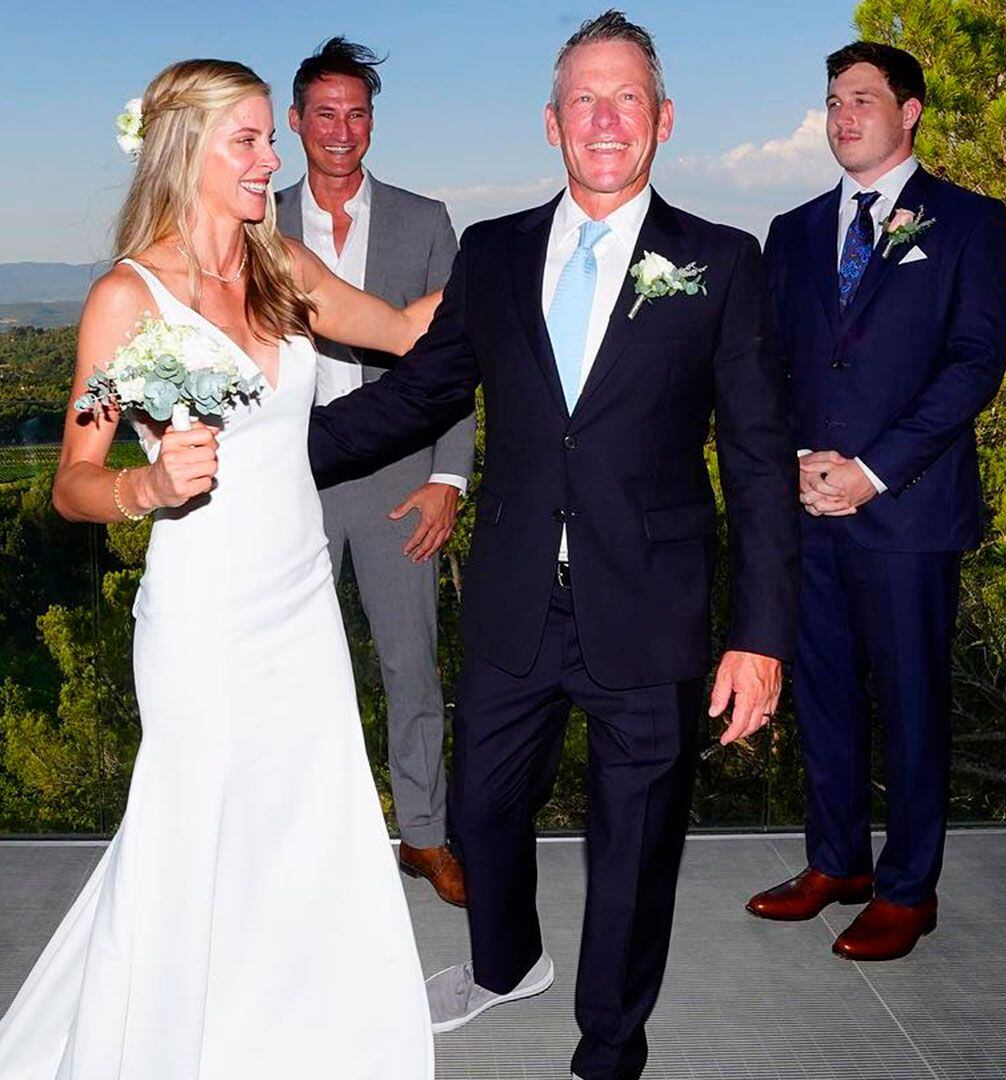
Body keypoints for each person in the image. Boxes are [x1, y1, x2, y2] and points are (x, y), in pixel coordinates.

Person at [0, 58, 440, 1079]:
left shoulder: (283, 267)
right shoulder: (127, 297)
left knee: (306, 817)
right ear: (185, 151)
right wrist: (145, 487)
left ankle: (288, 1036)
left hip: (299, 600)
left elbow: (408, 330)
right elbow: (73, 482)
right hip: (204, 611)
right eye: (250, 140)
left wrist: (530, 259)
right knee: (194, 829)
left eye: (267, 137)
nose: (272, 158)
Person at [307, 12, 798, 1079]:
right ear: (550, 122)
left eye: (626, 98)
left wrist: (760, 635)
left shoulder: (722, 261)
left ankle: (609, 1046)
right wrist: (277, 452)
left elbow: (760, 464)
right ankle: (505, 961)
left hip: (652, 609)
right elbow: (423, 391)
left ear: (663, 119)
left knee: (634, 849)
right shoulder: (493, 252)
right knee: (481, 811)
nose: (605, 119)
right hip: (515, 596)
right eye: (584, 98)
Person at [748, 41, 1006, 961]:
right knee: (821, 693)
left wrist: (871, 469)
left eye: (862, 98)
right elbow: (766, 363)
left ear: (910, 111)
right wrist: (792, 461)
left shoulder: (970, 222)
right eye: (832, 101)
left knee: (910, 705)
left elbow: (974, 364)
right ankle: (836, 863)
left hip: (908, 511)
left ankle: (907, 889)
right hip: (806, 507)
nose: (842, 116)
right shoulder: (790, 230)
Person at [276, 35, 473, 906]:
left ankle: (424, 836)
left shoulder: (425, 220)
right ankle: (298, 843)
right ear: (295, 121)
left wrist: (448, 478)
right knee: (291, 672)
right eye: (325, 113)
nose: (341, 130)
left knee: (411, 668)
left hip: (399, 479)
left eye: (356, 114)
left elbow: (456, 356)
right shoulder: (254, 223)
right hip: (289, 482)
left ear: (372, 123)